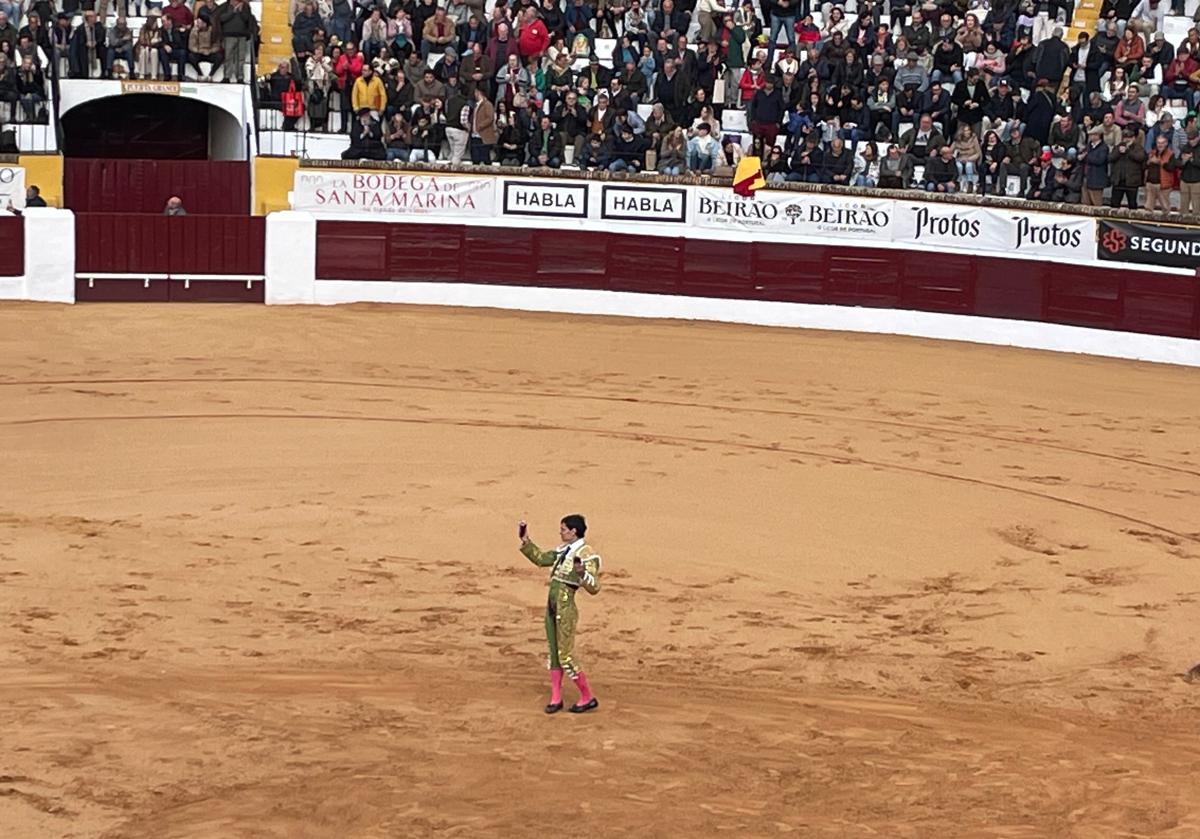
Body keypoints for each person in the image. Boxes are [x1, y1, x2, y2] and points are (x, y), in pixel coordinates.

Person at [518, 515, 602, 715]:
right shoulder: (563, 550)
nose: (561, 532)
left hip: (565, 608)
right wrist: (525, 541)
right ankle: (556, 698)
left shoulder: (586, 553)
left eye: (563, 529)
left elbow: (594, 587)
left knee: (565, 655)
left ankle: (587, 697)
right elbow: (541, 559)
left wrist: (581, 573)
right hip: (552, 606)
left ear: (574, 531)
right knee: (554, 652)